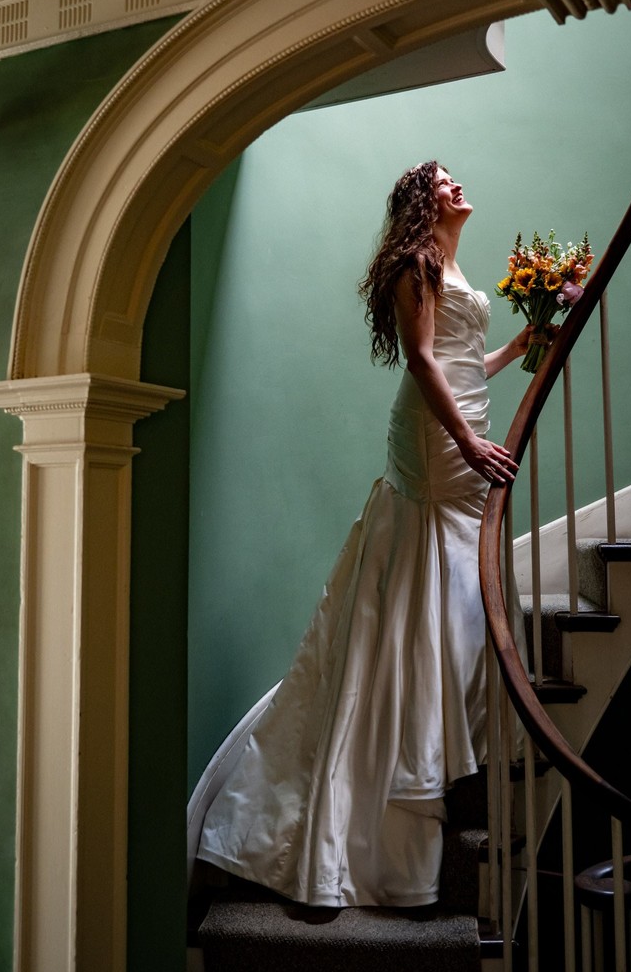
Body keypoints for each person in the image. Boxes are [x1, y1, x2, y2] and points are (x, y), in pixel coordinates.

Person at [196, 160, 533, 909]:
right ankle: (411, 748)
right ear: (421, 201)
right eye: (443, 181)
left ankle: (440, 728)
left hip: (459, 422)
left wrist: (517, 350)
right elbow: (419, 361)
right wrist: (470, 445)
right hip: (434, 437)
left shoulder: (448, 261)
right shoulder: (416, 263)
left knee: (451, 578)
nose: (456, 186)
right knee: (432, 571)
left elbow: (457, 364)